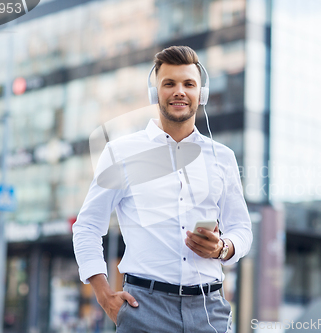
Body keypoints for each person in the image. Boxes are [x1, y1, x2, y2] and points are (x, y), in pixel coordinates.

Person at [72, 45, 252, 332]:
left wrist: (222, 248)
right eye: (169, 83)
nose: (179, 91)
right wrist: (103, 294)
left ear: (200, 94)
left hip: (209, 310)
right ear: (155, 93)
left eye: (188, 84)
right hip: (144, 309)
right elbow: (87, 227)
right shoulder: (121, 153)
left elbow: (242, 229)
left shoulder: (223, 157)